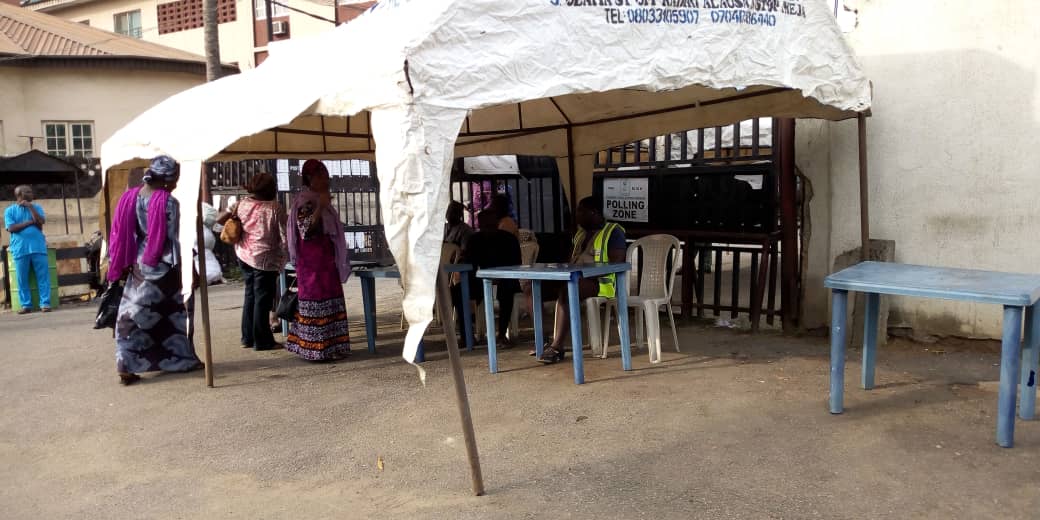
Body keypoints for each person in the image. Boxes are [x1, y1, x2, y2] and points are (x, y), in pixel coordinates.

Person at [107, 156, 202, 385]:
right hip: (166, 265)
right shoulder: (168, 202)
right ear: (168, 179)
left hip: (139, 262)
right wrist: (192, 269)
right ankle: (175, 359)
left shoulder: (131, 197)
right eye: (176, 178)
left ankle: (129, 362)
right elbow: (175, 238)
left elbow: (126, 232)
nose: (177, 183)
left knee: (135, 313)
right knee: (176, 314)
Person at [536, 196, 626, 364]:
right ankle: (543, 340)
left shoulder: (613, 231)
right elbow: (571, 261)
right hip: (576, 278)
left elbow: (616, 263)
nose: (576, 215)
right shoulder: (579, 235)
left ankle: (557, 346)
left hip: (601, 284)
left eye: (580, 211)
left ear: (594, 213)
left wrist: (585, 272)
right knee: (535, 288)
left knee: (568, 291)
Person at [285, 160, 351, 361]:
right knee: (317, 301)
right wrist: (320, 207)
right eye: (320, 175)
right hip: (312, 265)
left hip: (326, 262)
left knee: (331, 300)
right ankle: (316, 349)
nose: (326, 179)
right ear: (309, 179)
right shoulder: (306, 202)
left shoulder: (320, 200)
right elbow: (306, 231)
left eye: (326, 175)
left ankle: (333, 347)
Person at [218, 173, 287, 351]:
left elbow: (218, 220)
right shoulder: (274, 207)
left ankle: (247, 337)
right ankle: (263, 340)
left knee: (250, 295)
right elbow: (284, 234)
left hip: (243, 255)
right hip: (265, 259)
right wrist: (285, 255)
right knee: (262, 300)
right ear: (271, 189)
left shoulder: (242, 204)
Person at [452, 210, 522, 346]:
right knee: (458, 291)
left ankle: (501, 334)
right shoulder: (475, 240)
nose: (488, 227)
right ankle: (467, 335)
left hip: (504, 277)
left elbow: (516, 265)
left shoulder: (508, 239)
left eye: (490, 224)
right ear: (480, 225)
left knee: (508, 288)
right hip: (482, 277)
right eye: (486, 224)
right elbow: (469, 264)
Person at [4, 185, 50, 314]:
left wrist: (30, 207)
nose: (31, 193)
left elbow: (40, 221)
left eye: (31, 191)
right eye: (28, 192)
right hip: (20, 249)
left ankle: (45, 304)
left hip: (38, 248)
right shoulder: (10, 211)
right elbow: (12, 228)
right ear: (20, 194)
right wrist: (30, 223)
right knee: (21, 279)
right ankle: (26, 305)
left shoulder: (37, 207)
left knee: (43, 277)